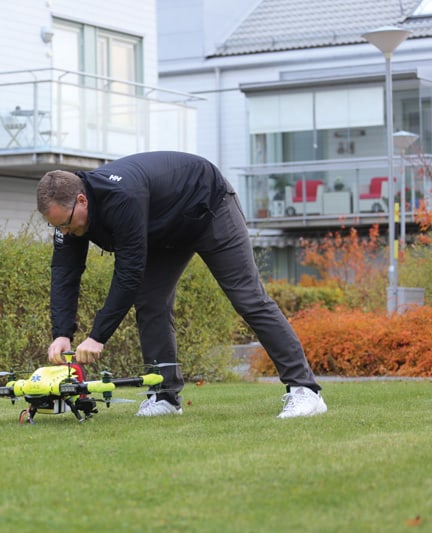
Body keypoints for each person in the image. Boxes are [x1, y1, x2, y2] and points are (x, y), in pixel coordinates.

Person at [35, 151, 327, 419]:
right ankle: (165, 396)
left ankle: (305, 390)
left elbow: (128, 273)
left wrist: (97, 336)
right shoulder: (70, 217)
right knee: (151, 303)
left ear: (82, 200)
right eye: (56, 227)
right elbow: (64, 272)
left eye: (66, 223)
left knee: (247, 298)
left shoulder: (120, 196)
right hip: (164, 228)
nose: (65, 232)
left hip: (208, 207)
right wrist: (62, 333)